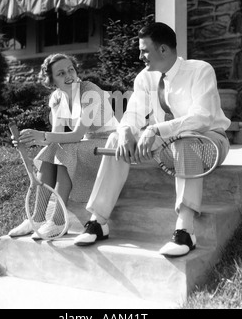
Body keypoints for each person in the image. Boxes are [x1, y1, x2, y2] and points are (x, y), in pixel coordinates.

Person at [74, 22, 231, 257]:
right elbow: (133, 115)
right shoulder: (144, 79)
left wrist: (156, 130)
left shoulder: (200, 70)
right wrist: (126, 130)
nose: (140, 56)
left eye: (144, 50)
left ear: (164, 50)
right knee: (117, 138)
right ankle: (99, 221)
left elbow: (203, 117)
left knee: (184, 141)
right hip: (167, 144)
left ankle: (185, 231)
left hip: (208, 142)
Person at [8, 53, 118, 240]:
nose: (69, 76)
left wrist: (41, 135)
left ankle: (59, 221)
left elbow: (76, 135)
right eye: (61, 73)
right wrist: (29, 138)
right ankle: (37, 218)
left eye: (71, 70)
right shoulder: (57, 98)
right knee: (53, 149)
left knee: (68, 148)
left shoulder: (89, 91)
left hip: (109, 143)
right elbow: (54, 137)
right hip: (89, 143)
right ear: (51, 80)